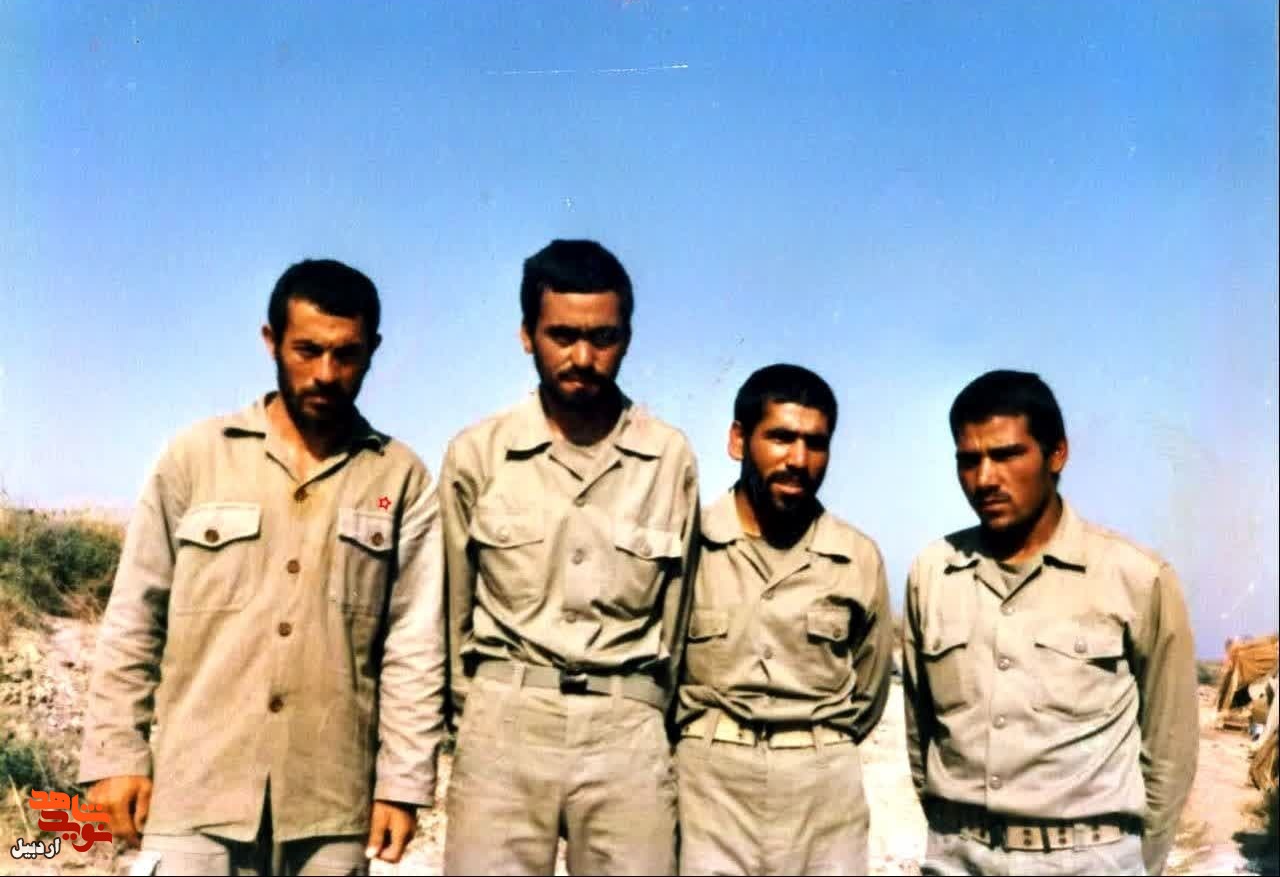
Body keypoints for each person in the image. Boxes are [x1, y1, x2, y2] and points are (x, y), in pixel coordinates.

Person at [79, 260, 446, 876]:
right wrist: (116, 754)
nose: (325, 373)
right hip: (194, 794)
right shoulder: (195, 458)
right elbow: (134, 618)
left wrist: (402, 784)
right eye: (307, 350)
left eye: (346, 355)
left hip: (332, 806)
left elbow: (415, 645)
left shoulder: (399, 477)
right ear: (271, 341)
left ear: (373, 351)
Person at [439, 239, 699, 876]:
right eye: (563, 335)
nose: (583, 358)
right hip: (503, 726)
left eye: (603, 338)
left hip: (626, 732)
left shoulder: (668, 459)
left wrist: (642, 716)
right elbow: (449, 610)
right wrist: (477, 717)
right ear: (527, 335)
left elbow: (679, 616)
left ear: (627, 338)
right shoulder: (479, 454)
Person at [902, 369, 1198, 876]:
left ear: (1057, 454)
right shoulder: (933, 574)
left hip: (1087, 861)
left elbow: (1170, 752)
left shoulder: (1134, 577)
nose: (985, 478)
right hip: (957, 857)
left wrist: (1129, 863)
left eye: (1007, 455)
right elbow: (919, 735)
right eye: (969, 460)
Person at [674, 363, 893, 875]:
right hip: (709, 790)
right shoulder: (689, 546)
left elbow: (870, 689)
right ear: (738, 440)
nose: (798, 459)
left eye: (816, 443)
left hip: (823, 793)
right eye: (780, 438)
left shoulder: (856, 558)